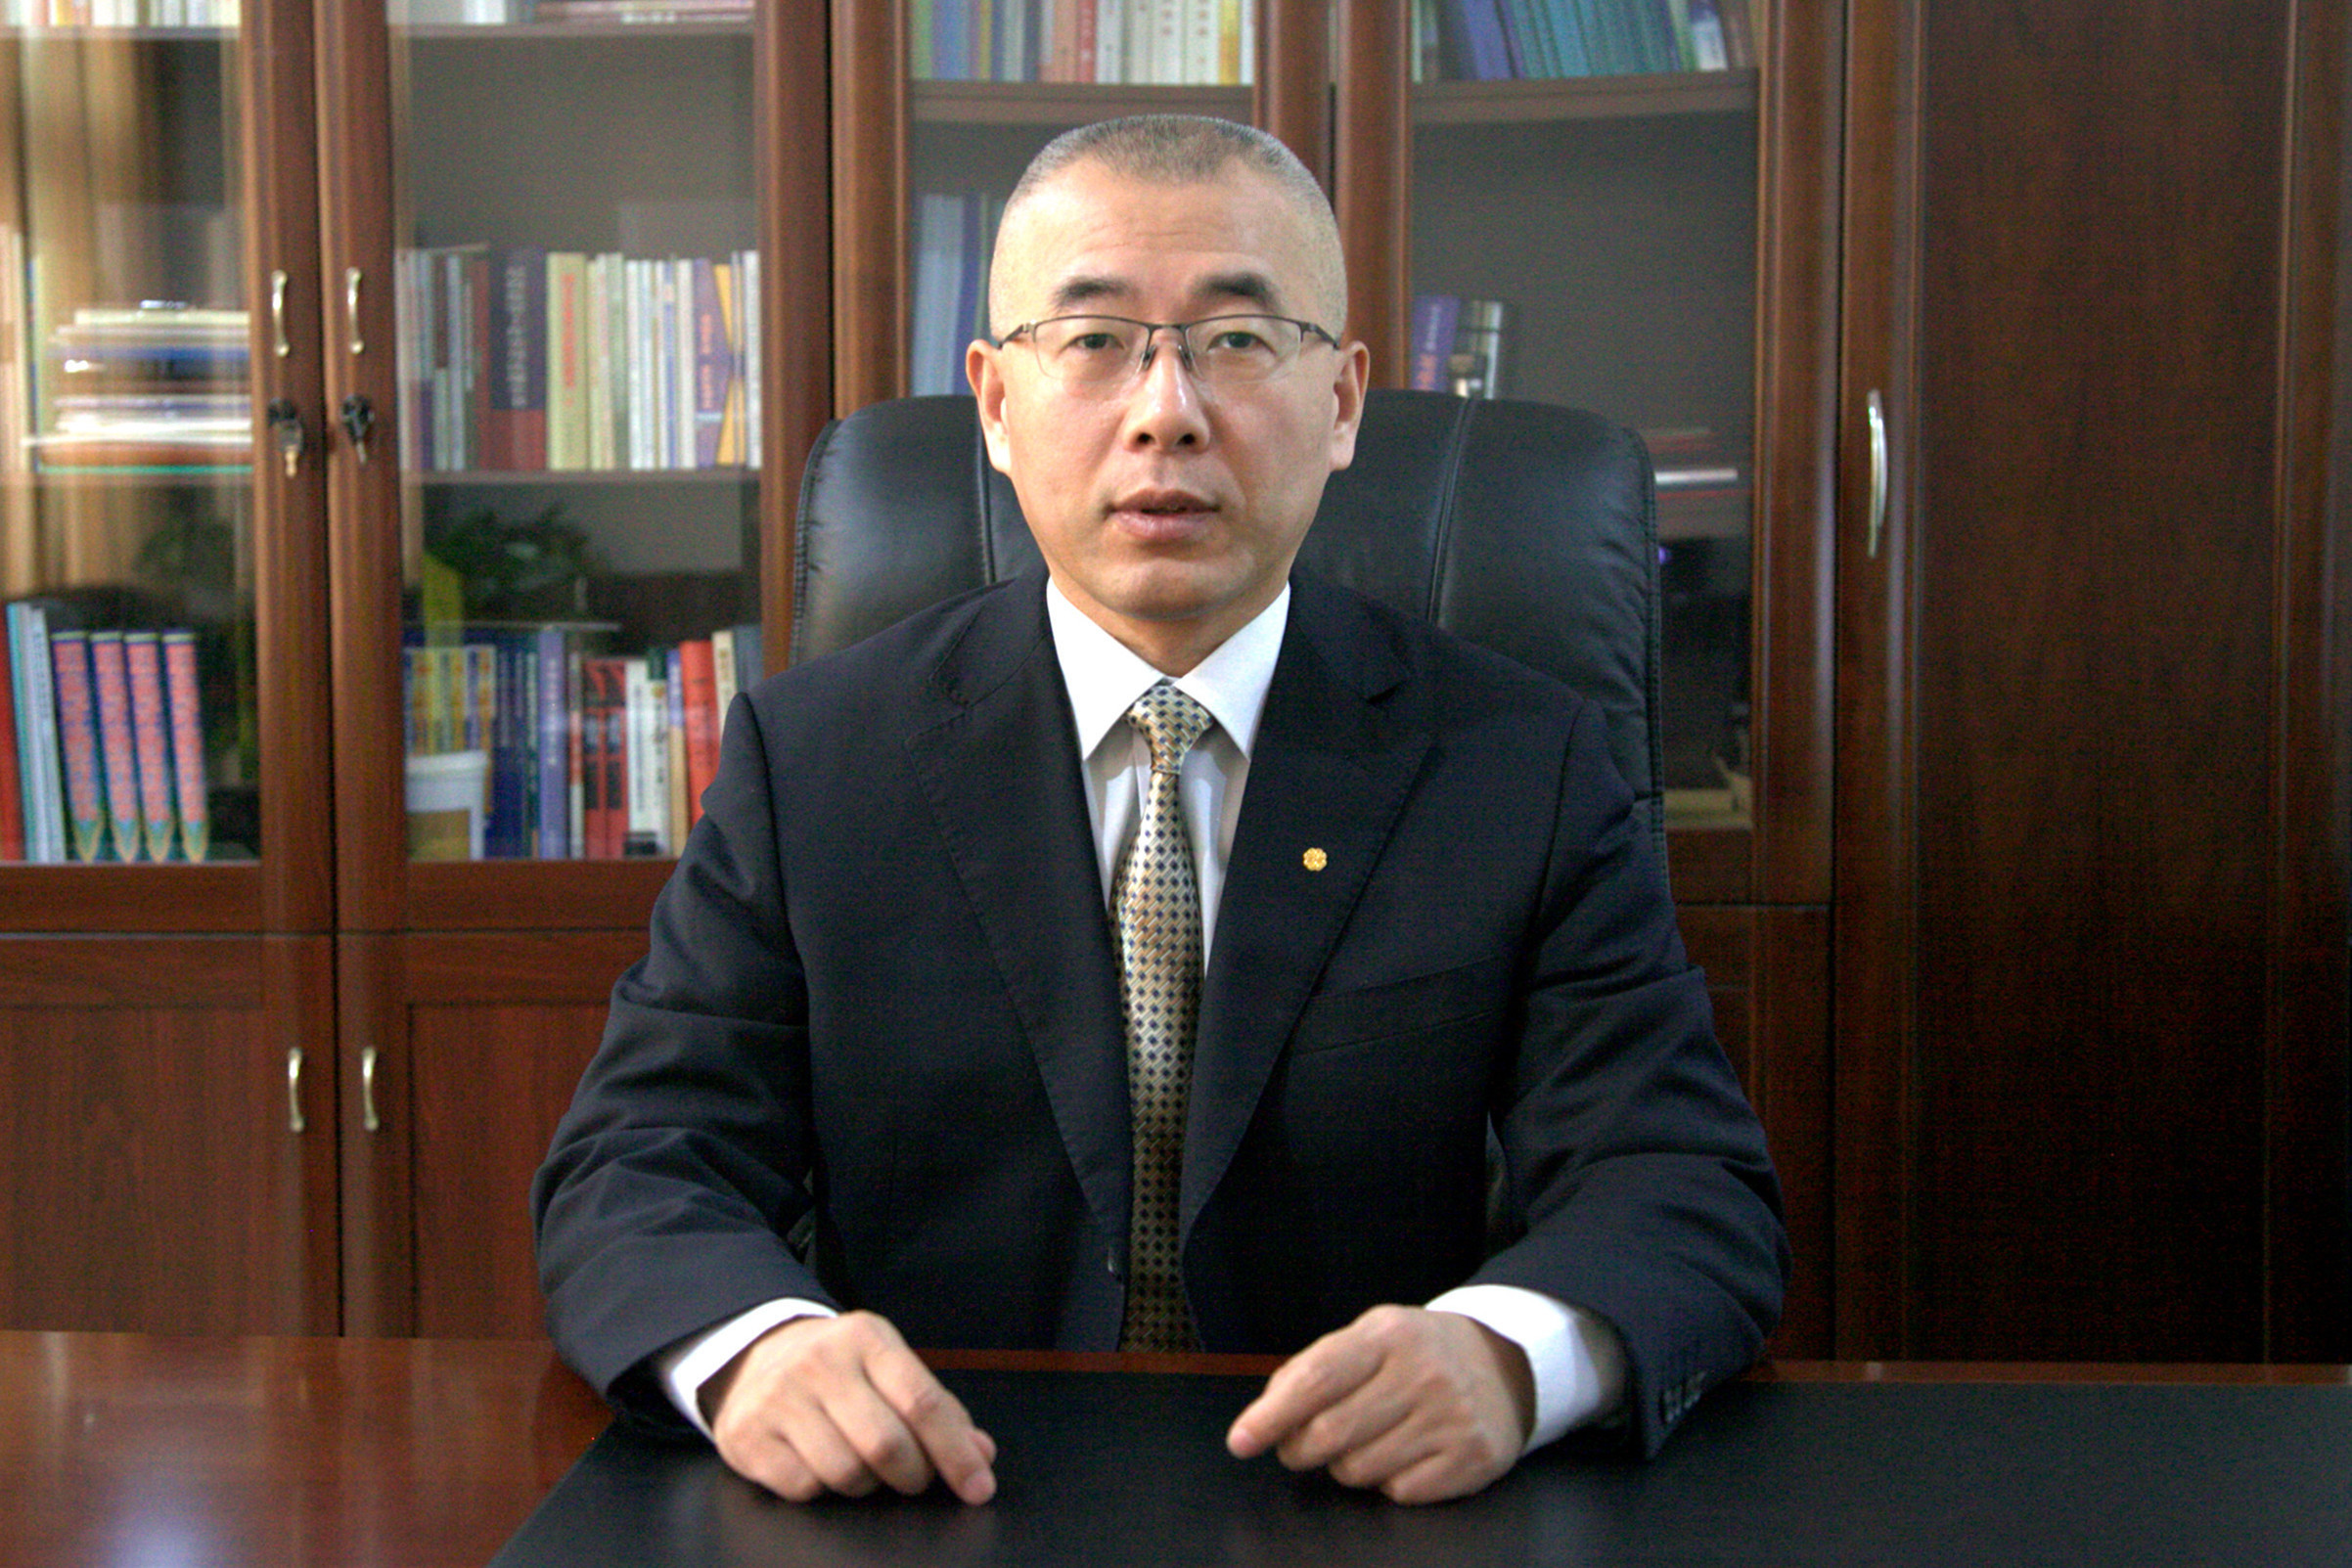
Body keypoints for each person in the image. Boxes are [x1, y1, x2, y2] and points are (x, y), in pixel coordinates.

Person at [533, 113, 1786, 1510]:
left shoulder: (1520, 763)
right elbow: (639, 1162)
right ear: (995, 405)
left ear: (1344, 402)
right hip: (934, 1495)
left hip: (1362, 1508)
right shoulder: (815, 761)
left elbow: (1679, 1180)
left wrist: (1506, 1356)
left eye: (1238, 340)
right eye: (1094, 340)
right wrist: (760, 1351)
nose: (1166, 411)